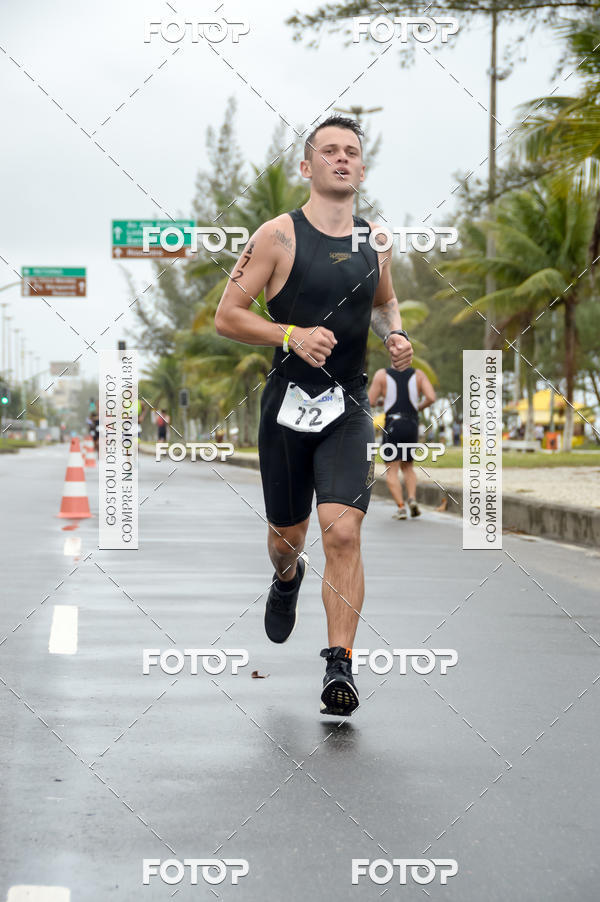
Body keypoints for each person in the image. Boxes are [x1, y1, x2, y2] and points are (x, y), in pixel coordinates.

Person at [215, 115, 413, 717]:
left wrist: (396, 336)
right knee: (288, 539)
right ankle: (285, 578)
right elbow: (228, 315)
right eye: (329, 151)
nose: (342, 159)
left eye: (352, 152)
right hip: (285, 408)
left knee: (343, 531)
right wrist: (290, 335)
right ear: (307, 167)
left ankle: (339, 668)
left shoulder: (374, 240)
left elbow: (385, 302)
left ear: (361, 166)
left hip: (347, 405)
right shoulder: (277, 236)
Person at [368, 365, 436, 519]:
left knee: (391, 469)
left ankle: (401, 508)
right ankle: (412, 499)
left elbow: (370, 400)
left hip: (393, 423)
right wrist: (417, 407)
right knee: (408, 466)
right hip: (412, 423)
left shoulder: (382, 374)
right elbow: (431, 397)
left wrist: (381, 401)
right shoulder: (419, 374)